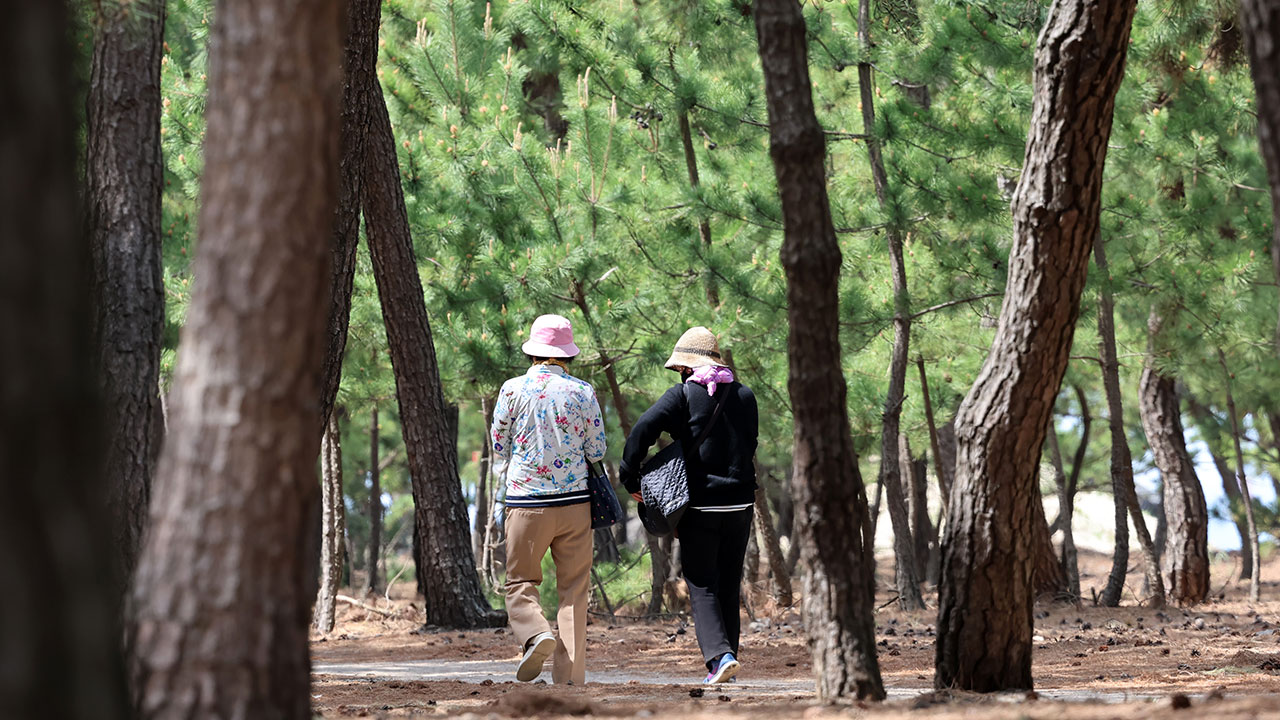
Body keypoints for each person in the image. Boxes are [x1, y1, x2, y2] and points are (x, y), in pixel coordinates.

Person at [620, 327, 759, 684]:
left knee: (702, 583)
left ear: (686, 368)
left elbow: (642, 430)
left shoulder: (683, 395)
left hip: (700, 508)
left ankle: (719, 658)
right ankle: (728, 657)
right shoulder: (745, 396)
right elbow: (750, 444)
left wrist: (631, 479)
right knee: (728, 583)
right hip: (741, 505)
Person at [491, 314, 607, 684]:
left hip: (527, 504)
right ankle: (570, 680)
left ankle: (535, 632)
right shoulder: (583, 391)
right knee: (573, 590)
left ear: (533, 353)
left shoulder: (511, 389)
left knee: (520, 581)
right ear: (566, 355)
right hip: (575, 504)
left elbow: (498, 444)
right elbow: (597, 449)